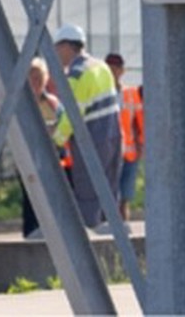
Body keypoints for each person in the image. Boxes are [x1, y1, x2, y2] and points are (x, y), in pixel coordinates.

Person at [51, 23, 122, 228]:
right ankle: (112, 235)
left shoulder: (77, 73)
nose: (56, 53)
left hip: (91, 139)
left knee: (88, 192)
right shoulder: (101, 66)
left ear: (66, 46)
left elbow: (72, 114)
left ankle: (90, 236)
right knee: (109, 191)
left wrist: (57, 140)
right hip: (113, 135)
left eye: (57, 48)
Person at [20, 57, 68, 238]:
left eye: (39, 78)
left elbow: (63, 124)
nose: (36, 82)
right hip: (28, 158)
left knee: (52, 200)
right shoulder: (20, 102)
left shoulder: (53, 103)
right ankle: (31, 236)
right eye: (32, 78)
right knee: (31, 200)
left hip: (52, 158)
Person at [106, 52, 144, 222]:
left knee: (125, 197)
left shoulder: (131, 92)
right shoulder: (102, 92)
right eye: (110, 68)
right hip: (109, 151)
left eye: (116, 68)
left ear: (122, 70)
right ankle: (112, 227)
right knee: (111, 194)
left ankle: (123, 227)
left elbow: (140, 120)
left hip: (129, 152)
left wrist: (141, 144)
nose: (113, 71)